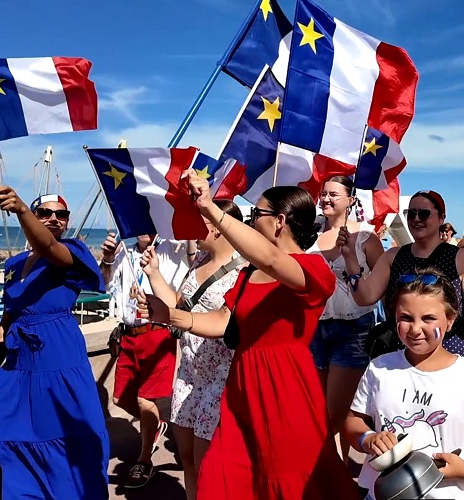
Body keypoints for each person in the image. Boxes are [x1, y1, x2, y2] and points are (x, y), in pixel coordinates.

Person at [139, 175, 360, 500]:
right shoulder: (246, 274)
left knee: (286, 478)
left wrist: (210, 209)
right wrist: (169, 315)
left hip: (285, 389)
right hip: (241, 388)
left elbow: (272, 259)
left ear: (280, 221)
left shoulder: (313, 268)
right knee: (223, 472)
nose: (252, 220)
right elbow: (223, 321)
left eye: (257, 214)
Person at [0, 191, 109, 500]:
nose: (54, 219)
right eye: (45, 213)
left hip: (59, 359)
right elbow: (7, 319)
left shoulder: (71, 251)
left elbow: (48, 247)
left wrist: (22, 209)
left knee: (67, 441)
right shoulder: (14, 264)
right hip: (18, 364)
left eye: (61, 214)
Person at [344, 266, 464, 499]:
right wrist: (367, 439)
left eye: (428, 318)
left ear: (450, 321)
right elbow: (354, 421)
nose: (416, 329)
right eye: (406, 318)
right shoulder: (379, 368)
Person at [141, 200, 245, 500]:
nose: (189, 230)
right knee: (187, 457)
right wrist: (154, 273)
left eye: (199, 223)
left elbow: (224, 322)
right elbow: (179, 304)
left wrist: (173, 317)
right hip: (189, 374)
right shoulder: (199, 259)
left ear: (218, 226)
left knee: (206, 463)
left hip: (221, 378)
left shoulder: (243, 270)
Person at [340, 190, 464, 362]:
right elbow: (365, 297)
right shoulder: (393, 256)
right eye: (411, 213)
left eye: (424, 213)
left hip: (450, 358)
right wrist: (350, 257)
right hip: (402, 358)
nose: (416, 219)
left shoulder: (462, 258)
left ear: (441, 218)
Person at [100, 231, 186, 489]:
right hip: (129, 335)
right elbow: (105, 284)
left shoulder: (172, 249)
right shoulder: (124, 253)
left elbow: (191, 261)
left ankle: (145, 458)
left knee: (145, 398)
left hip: (157, 333)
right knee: (120, 398)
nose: (143, 229)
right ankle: (154, 425)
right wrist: (107, 260)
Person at [308, 176, 384, 460]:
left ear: (350, 200)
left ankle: (329, 471)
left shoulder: (366, 237)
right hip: (313, 328)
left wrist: (352, 260)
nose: (325, 199)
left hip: (353, 330)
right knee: (315, 409)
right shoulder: (309, 234)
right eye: (323, 194)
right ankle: (330, 468)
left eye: (333, 194)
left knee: (335, 412)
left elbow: (382, 282)